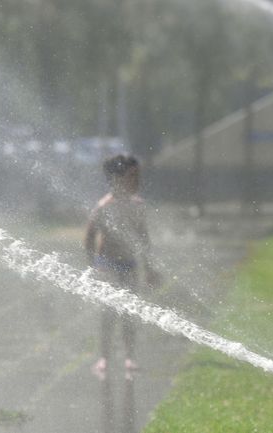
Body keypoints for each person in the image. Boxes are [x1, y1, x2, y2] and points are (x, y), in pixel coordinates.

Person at [85, 154, 160, 380]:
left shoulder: (138, 206)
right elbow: (89, 237)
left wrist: (148, 268)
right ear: (116, 178)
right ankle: (104, 358)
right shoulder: (104, 206)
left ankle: (129, 356)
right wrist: (92, 267)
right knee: (108, 314)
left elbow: (144, 239)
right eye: (132, 176)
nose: (138, 180)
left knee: (129, 313)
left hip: (129, 265)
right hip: (107, 266)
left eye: (138, 175)